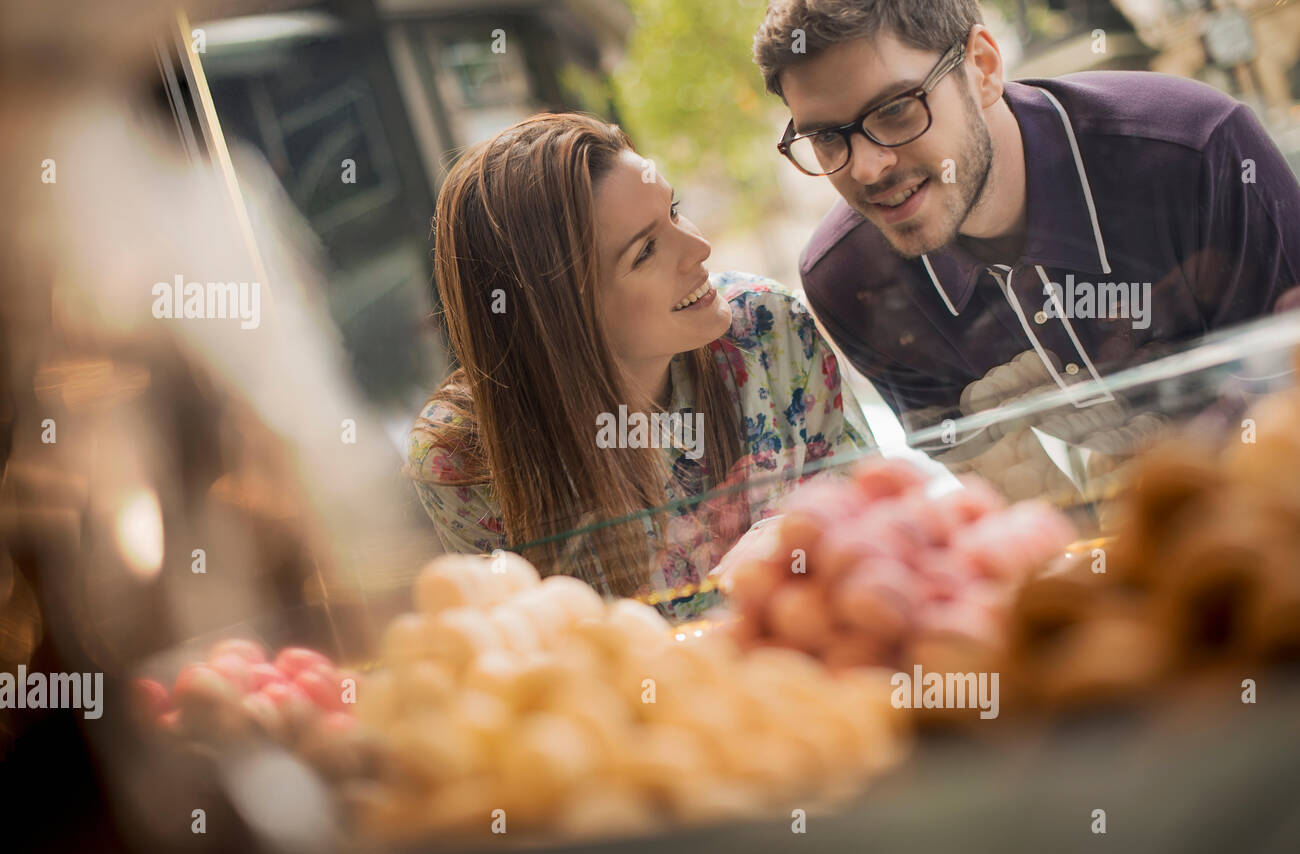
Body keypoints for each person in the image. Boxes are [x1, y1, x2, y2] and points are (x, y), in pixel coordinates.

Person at [407, 113, 870, 619]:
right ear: (559, 312)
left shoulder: (768, 329)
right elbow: (536, 663)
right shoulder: (463, 457)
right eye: (645, 250)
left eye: (673, 210)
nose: (699, 248)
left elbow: (879, 538)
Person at [752, 0, 1300, 421]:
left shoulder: (1195, 150)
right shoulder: (846, 278)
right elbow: (997, 506)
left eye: (896, 109)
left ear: (984, 67)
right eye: (826, 137)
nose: (866, 168)